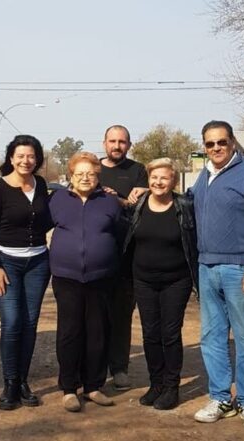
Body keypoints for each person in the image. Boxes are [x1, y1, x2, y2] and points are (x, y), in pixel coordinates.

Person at [189, 120, 244, 430]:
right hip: (206, 267)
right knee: (211, 338)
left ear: (233, 142)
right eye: (209, 144)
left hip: (240, 269)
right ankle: (221, 398)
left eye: (221, 142)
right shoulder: (204, 176)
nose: (216, 149)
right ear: (204, 146)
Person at [49, 152, 123, 412]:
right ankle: (69, 388)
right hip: (66, 277)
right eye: (79, 173)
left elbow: (120, 234)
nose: (85, 178)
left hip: (101, 278)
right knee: (70, 333)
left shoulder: (110, 202)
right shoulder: (57, 200)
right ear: (70, 176)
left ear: (98, 176)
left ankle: (93, 386)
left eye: (90, 173)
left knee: (98, 332)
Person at [0, 135, 52, 411]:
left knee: (29, 323)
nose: (26, 161)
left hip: (37, 263)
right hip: (6, 263)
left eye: (31, 156)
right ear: (11, 158)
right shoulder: (0, 189)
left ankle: (23, 381)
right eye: (20, 156)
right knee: (12, 322)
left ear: (37, 159)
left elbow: (47, 220)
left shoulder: (41, 185)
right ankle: (9, 384)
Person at [123, 158, 198, 411]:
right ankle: (155, 384)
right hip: (143, 279)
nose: (158, 182)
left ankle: (171, 387)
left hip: (176, 281)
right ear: (148, 180)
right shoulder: (138, 205)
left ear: (173, 181)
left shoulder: (185, 205)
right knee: (150, 334)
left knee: (170, 334)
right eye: (154, 177)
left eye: (164, 178)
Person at [98, 125, 148, 391]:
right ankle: (95, 367)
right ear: (104, 142)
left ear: (129, 145)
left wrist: (122, 198)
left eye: (122, 142)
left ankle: (119, 368)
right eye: (112, 141)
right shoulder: (92, 169)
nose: (117, 146)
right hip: (97, 254)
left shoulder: (138, 171)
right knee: (95, 314)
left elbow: (139, 204)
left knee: (122, 314)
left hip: (128, 254)